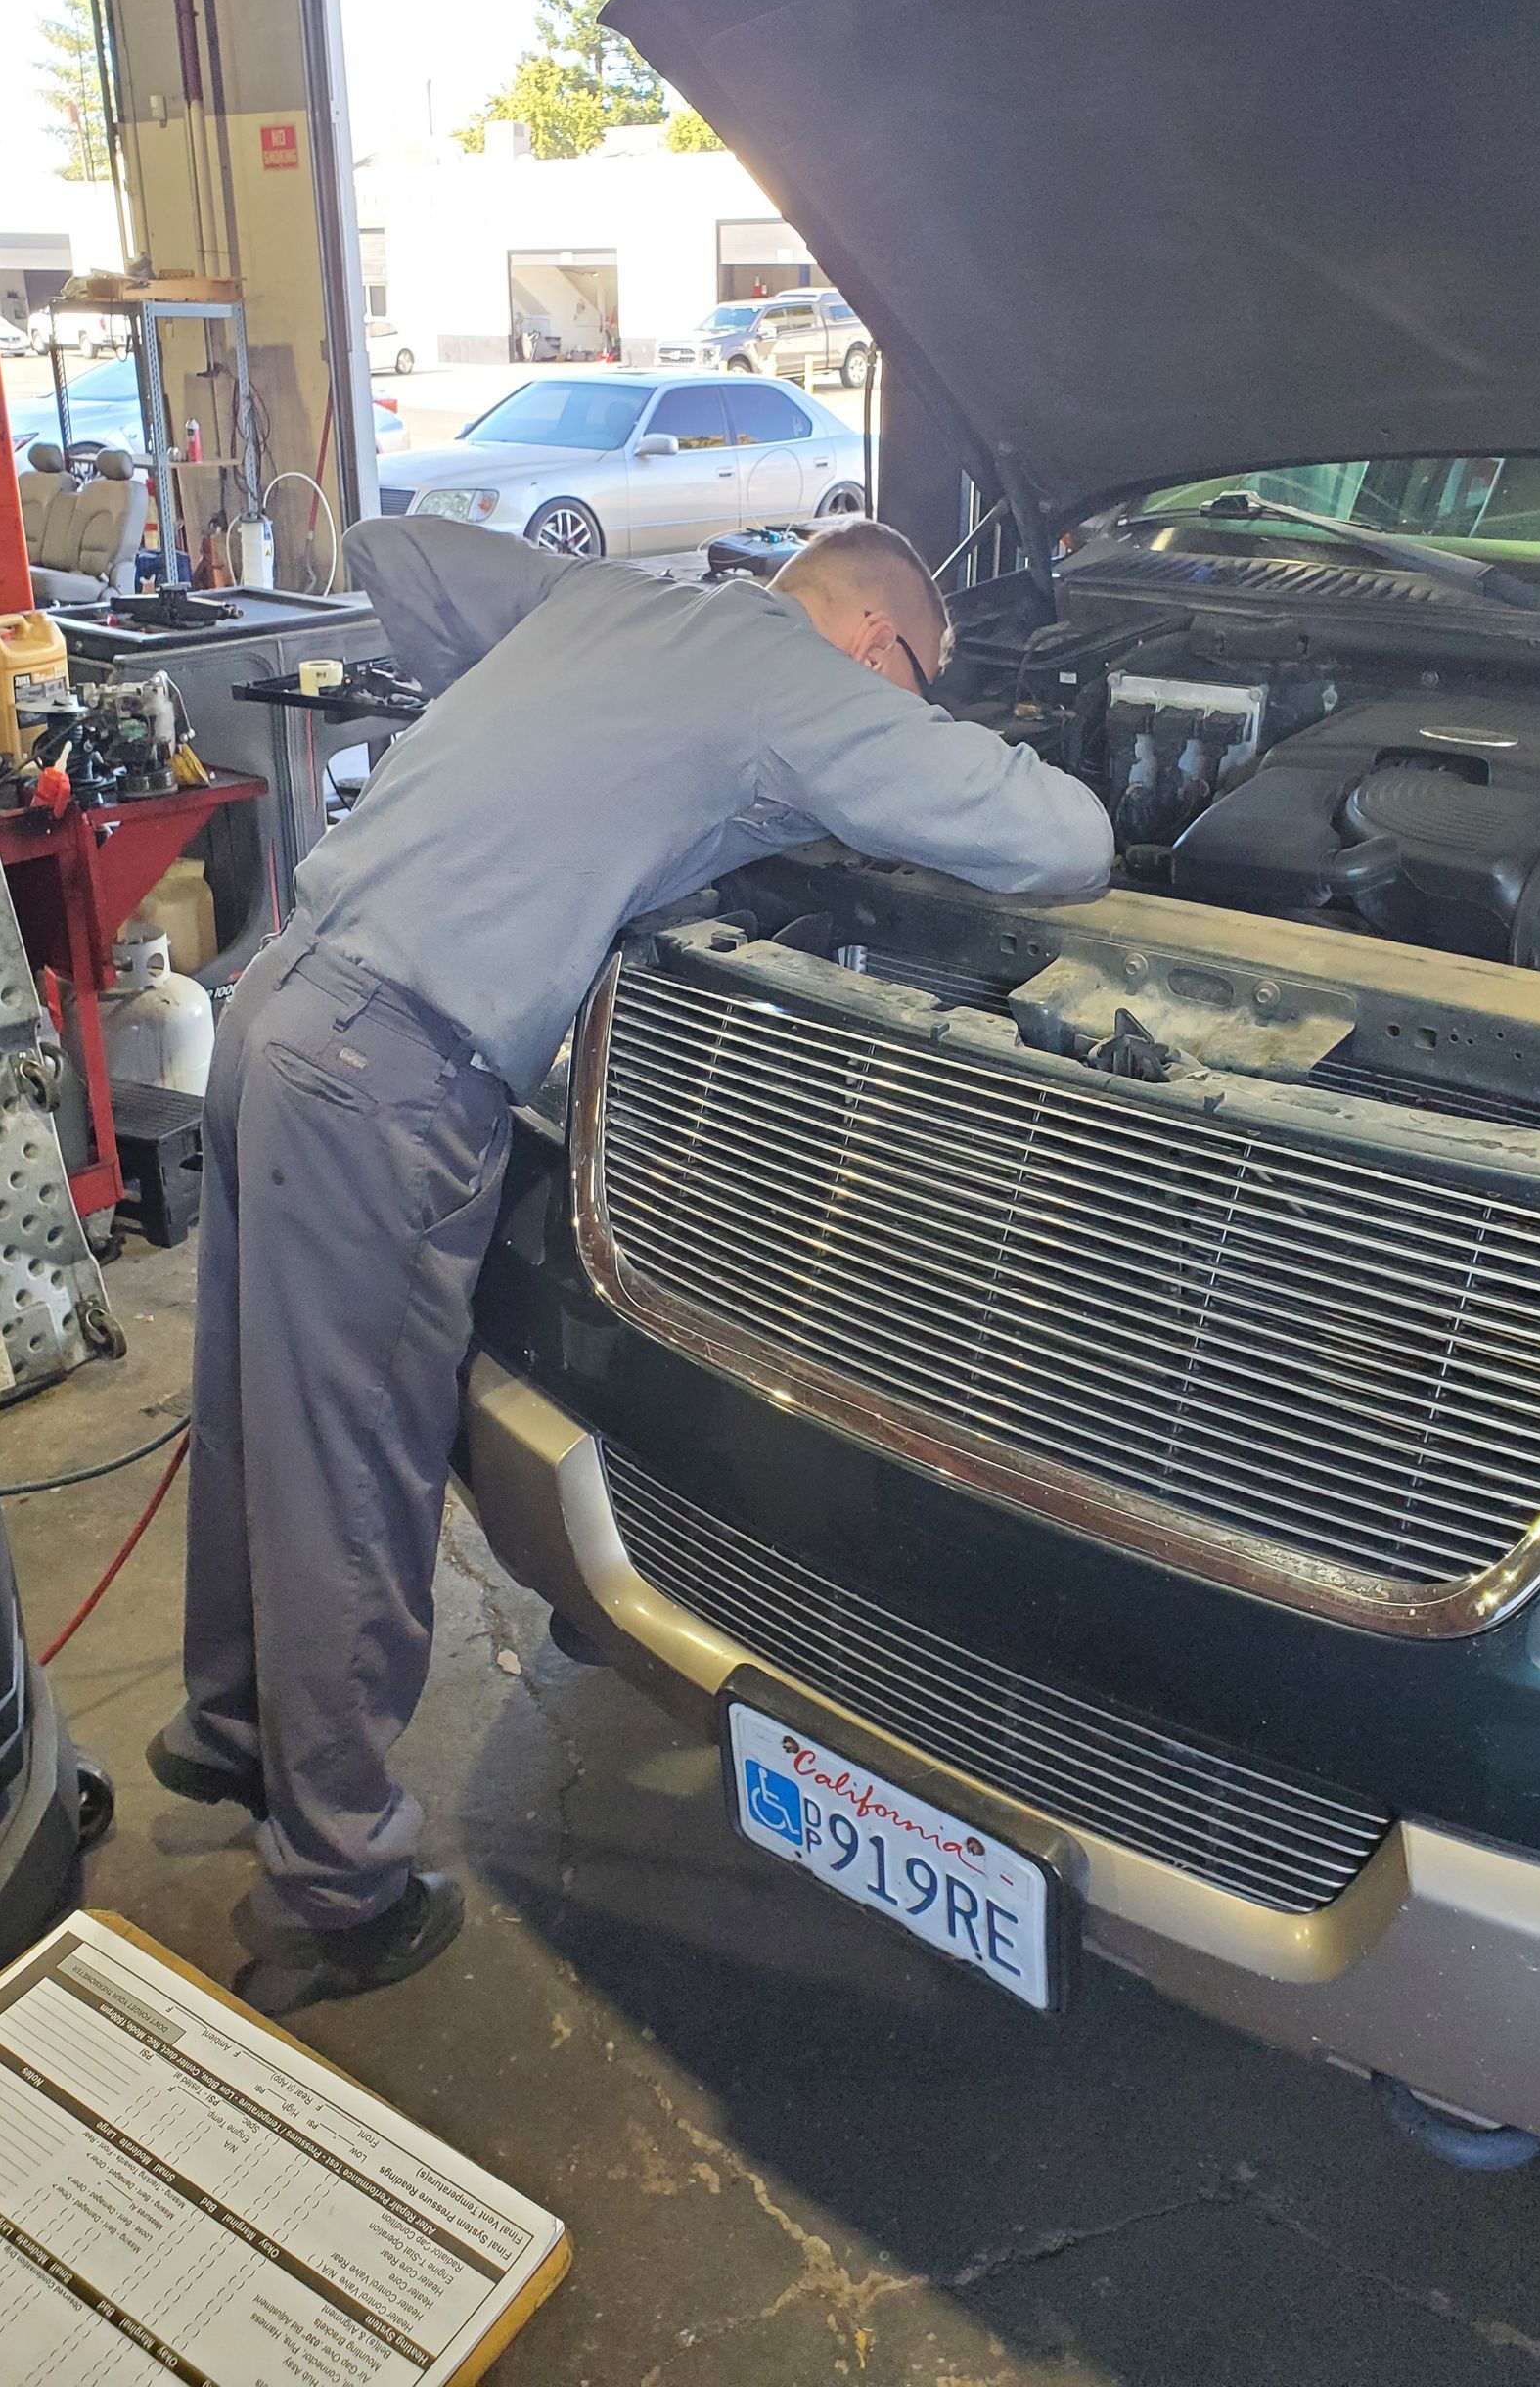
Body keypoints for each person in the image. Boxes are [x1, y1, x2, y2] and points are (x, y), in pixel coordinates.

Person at [149, 515, 1115, 1998]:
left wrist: (535, 697)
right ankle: (335, 1883)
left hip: (282, 1001)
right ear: (877, 644)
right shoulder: (797, 680)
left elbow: (390, 552)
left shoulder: (618, 604)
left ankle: (228, 1729)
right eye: (913, 688)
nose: (900, 714)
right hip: (393, 1072)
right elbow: (1068, 843)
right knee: (355, 1470)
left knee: (255, 1408)